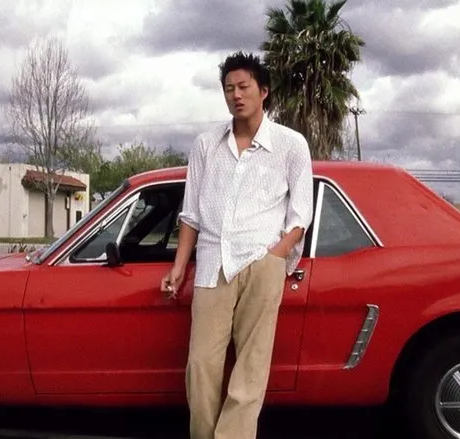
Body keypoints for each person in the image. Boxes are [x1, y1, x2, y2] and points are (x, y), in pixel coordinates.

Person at [160, 51, 314, 439]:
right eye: (229, 89)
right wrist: (178, 267)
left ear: (264, 91)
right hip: (212, 262)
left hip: (262, 261)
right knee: (201, 364)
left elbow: (300, 215)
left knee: (251, 365)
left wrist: (274, 257)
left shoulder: (291, 144)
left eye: (244, 87)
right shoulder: (206, 144)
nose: (236, 95)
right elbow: (191, 214)